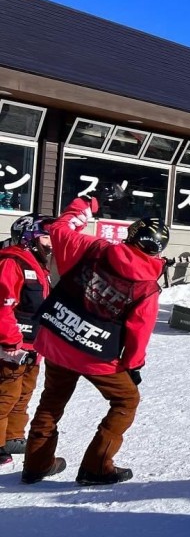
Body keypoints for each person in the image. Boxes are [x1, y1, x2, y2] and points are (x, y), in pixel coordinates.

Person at [22, 197, 167, 485]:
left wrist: (80, 208)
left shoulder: (96, 248)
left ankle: (36, 465)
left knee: (51, 401)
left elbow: (60, 230)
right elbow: (140, 331)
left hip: (59, 336)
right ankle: (96, 466)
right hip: (97, 354)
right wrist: (133, 366)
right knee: (126, 399)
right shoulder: (147, 286)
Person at [0, 215, 53, 467]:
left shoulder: (39, 266)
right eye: (45, 237)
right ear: (29, 238)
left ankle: (11, 436)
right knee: (5, 393)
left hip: (34, 344)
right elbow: (3, 306)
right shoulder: (12, 262)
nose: (50, 243)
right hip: (11, 346)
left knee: (23, 392)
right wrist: (11, 343)